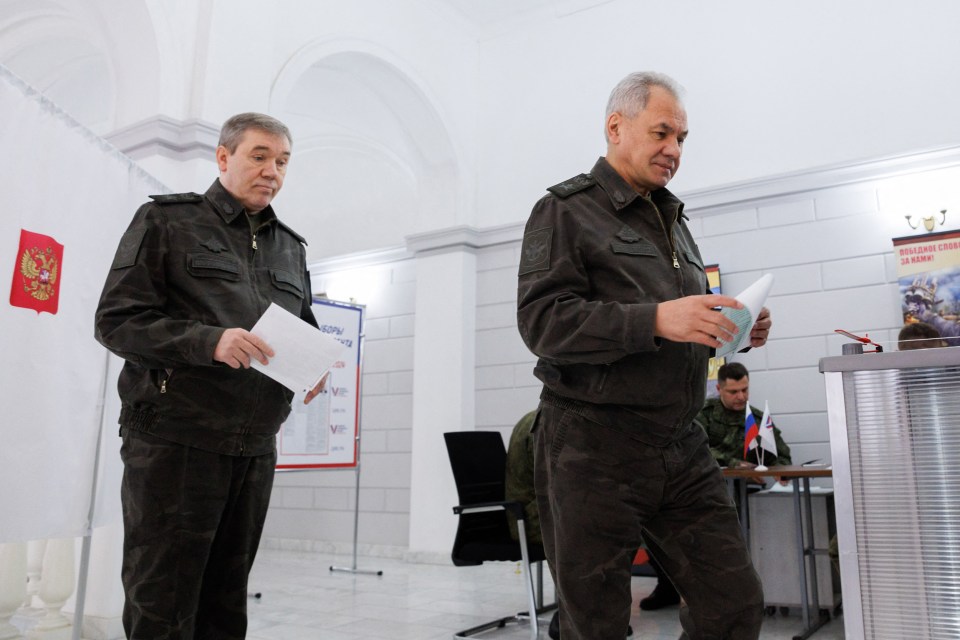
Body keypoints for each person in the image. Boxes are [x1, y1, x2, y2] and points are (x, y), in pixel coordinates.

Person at [517, 71, 771, 640]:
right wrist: (658, 319)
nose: (674, 150)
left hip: (680, 443)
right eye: (662, 133)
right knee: (596, 624)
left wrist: (731, 329)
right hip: (592, 446)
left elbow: (683, 325)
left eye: (682, 138)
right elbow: (542, 322)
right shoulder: (565, 211)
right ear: (616, 126)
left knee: (733, 604)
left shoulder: (673, 220)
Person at [95, 112, 326, 639]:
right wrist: (208, 341)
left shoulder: (290, 247)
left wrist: (312, 369)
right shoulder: (168, 222)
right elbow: (117, 322)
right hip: (176, 439)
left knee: (226, 602)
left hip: (253, 445)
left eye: (284, 161)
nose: (273, 171)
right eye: (260, 156)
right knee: (164, 602)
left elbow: (301, 328)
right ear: (224, 158)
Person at [505, 411, 633, 639]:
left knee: (619, 519)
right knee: (602, 525)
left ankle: (598, 611)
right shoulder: (548, 423)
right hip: (530, 518)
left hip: (541, 509)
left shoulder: (548, 416)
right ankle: (570, 616)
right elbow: (565, 484)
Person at [698, 362, 792, 471]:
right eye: (733, 392)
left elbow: (782, 456)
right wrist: (733, 463)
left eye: (744, 390)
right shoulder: (704, 413)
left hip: (748, 486)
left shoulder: (758, 419)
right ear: (719, 389)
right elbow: (697, 451)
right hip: (710, 484)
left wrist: (779, 471)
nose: (741, 397)